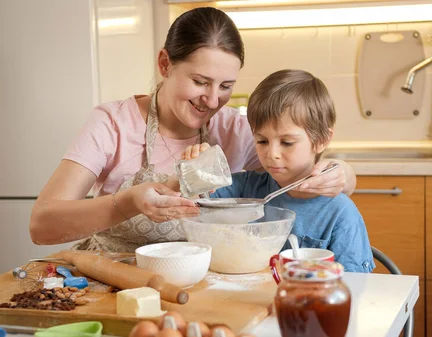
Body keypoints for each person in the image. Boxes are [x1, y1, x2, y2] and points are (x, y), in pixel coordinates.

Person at [29, 7, 358, 253]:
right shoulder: (113, 123)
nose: (212, 100)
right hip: (114, 280)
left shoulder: (236, 130)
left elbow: (291, 183)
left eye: (226, 85)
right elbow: (41, 226)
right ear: (164, 65)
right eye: (200, 82)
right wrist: (127, 203)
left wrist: (341, 173)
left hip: (199, 287)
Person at [188, 69, 374, 272]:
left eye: (286, 142)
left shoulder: (340, 213)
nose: (272, 153)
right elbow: (196, 199)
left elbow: (354, 285)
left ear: (321, 140)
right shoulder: (246, 188)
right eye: (262, 141)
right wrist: (198, 166)